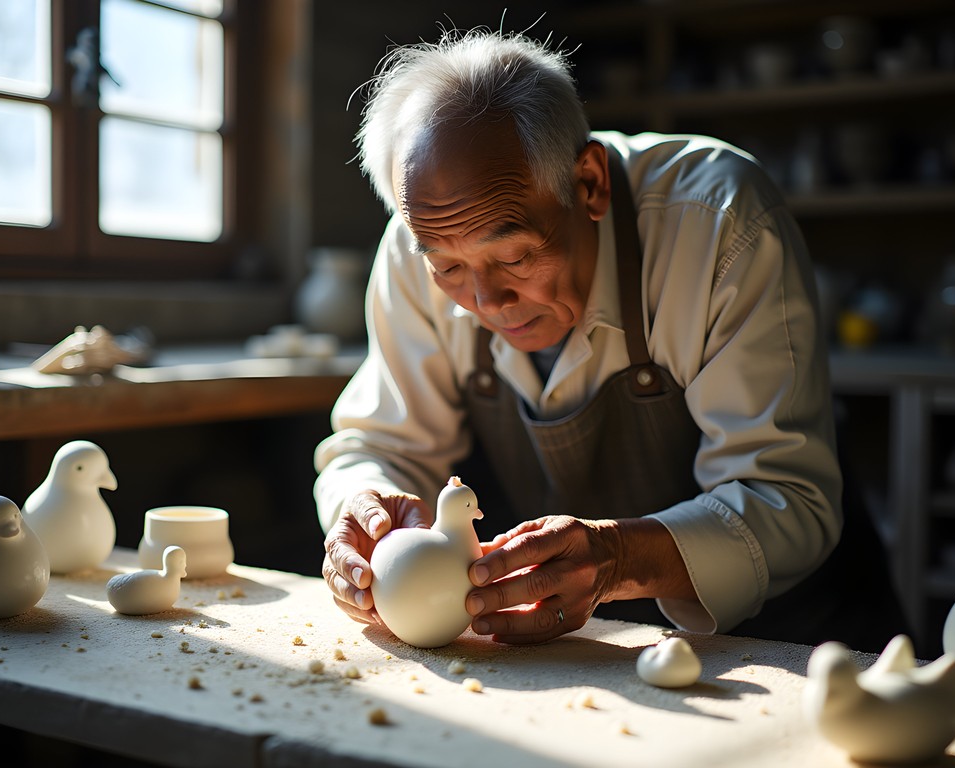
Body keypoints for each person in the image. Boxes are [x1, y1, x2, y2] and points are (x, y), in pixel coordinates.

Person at [313, 26, 849, 647]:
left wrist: (619, 556)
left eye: (514, 257)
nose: (485, 303)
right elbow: (377, 443)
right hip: (568, 647)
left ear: (588, 183)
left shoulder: (718, 225)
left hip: (780, 643)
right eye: (450, 270)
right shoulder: (421, 242)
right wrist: (364, 510)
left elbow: (788, 498)